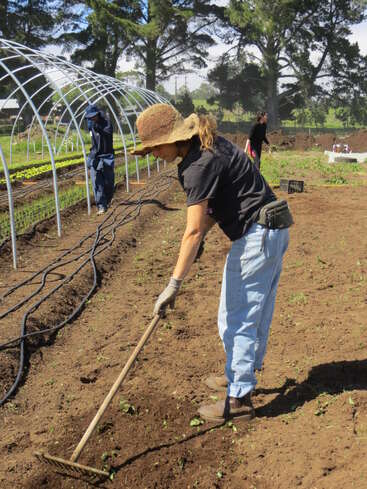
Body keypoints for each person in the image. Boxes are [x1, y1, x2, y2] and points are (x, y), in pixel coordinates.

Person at [131, 104, 293, 423]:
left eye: (154, 148)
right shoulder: (210, 143)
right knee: (249, 314)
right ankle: (241, 372)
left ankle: (240, 398)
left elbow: (192, 230)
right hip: (273, 230)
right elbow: (214, 209)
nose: (152, 154)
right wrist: (201, 237)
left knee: (238, 319)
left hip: (256, 237)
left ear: (173, 140)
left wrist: (173, 285)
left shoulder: (197, 165)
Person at [85, 104, 115, 215]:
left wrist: (99, 129)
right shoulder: (90, 123)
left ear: (98, 114)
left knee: (108, 183)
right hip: (95, 156)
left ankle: (107, 200)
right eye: (90, 117)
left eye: (93, 116)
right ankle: (101, 206)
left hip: (107, 155)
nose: (92, 119)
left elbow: (107, 133)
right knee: (96, 181)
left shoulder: (106, 122)